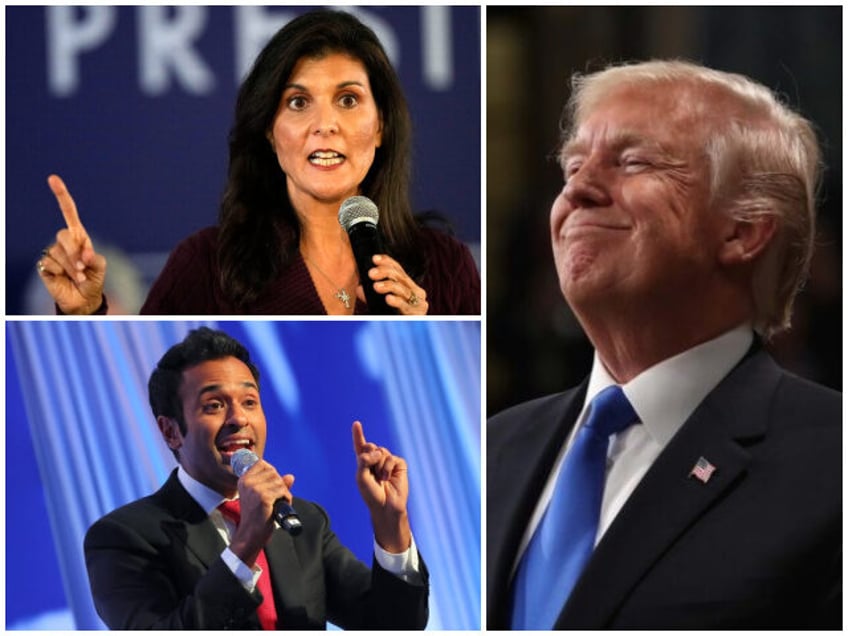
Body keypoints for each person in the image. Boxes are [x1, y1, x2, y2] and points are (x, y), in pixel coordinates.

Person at [487, 60, 840, 629]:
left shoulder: (831, 465)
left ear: (743, 230)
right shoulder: (491, 448)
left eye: (633, 162)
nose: (577, 188)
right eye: (573, 166)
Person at [36, 9, 480, 315]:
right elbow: (144, 401)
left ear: (381, 126)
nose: (325, 125)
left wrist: (431, 333)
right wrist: (86, 312)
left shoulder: (445, 267)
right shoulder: (206, 266)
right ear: (269, 129)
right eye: (298, 102)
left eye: (348, 99)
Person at [84, 327, 429, 629]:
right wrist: (246, 544)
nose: (239, 419)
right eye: (214, 405)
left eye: (249, 401)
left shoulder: (303, 520)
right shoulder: (123, 537)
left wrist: (390, 522)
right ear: (171, 431)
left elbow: (392, 625)